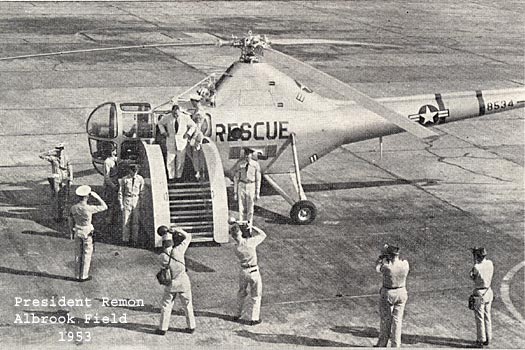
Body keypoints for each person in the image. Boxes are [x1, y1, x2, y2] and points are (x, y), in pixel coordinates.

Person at [156, 226, 196, 335]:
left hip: (171, 283)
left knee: (166, 305)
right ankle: (191, 326)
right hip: (183, 281)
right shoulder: (179, 250)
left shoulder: (161, 257)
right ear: (172, 242)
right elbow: (188, 237)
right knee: (188, 305)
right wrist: (178, 230)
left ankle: (163, 328)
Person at [230, 218, 267, 325]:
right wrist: (252, 226)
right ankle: (254, 319)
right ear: (240, 233)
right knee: (256, 296)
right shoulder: (250, 242)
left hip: (243, 271)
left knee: (241, 293)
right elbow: (263, 235)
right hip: (254, 271)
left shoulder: (236, 248)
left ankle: (237, 314)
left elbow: (239, 239)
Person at [68, 185, 107, 282]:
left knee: (78, 254)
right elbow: (104, 206)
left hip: (77, 230)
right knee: (87, 254)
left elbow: (70, 220)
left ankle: (77, 275)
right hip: (87, 231)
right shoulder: (89, 208)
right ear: (87, 197)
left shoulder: (73, 208)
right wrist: (97, 197)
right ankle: (84, 275)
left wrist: (71, 232)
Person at [375, 244, 409, 348]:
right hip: (402, 291)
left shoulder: (386, 267)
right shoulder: (405, 264)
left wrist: (381, 259)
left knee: (386, 320)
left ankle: (382, 344)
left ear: (389, 256)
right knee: (397, 320)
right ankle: (396, 345)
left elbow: (377, 268)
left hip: (388, 293)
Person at [157, 105, 196, 181]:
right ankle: (171, 177)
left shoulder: (185, 117)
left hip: (181, 141)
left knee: (180, 160)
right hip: (171, 140)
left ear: (179, 112)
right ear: (172, 112)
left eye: (177, 114)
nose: (175, 115)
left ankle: (179, 176)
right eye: (174, 113)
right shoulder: (167, 117)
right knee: (170, 160)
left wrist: (188, 133)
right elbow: (160, 123)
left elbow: (193, 125)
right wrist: (164, 132)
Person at [39, 143, 73, 222]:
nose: (59, 150)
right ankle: (56, 216)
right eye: (58, 149)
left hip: (64, 178)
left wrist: (71, 179)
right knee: (56, 197)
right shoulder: (53, 158)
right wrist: (50, 151)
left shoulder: (66, 158)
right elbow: (41, 155)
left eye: (61, 149)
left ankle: (62, 215)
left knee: (64, 197)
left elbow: (70, 168)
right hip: (56, 178)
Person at [469, 247, 494, 348]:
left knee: (480, 317)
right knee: (487, 315)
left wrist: (474, 262)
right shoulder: (490, 263)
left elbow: (472, 276)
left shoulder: (476, 267)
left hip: (479, 292)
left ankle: (481, 339)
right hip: (488, 291)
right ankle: (488, 337)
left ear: (477, 256)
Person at [233, 148, 261, 227]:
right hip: (241, 185)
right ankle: (242, 226)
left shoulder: (255, 165)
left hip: (251, 185)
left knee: (250, 208)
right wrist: (235, 192)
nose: (247, 156)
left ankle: (249, 226)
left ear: (251, 155)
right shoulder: (240, 164)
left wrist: (257, 192)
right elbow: (236, 178)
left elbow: (258, 179)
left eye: (248, 154)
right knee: (241, 207)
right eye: (245, 154)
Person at [118, 164, 144, 245]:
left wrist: (142, 203)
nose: (134, 173)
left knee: (135, 221)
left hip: (136, 199)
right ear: (130, 171)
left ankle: (134, 239)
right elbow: (120, 192)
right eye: (133, 171)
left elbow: (142, 192)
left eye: (136, 171)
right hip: (127, 199)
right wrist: (121, 204)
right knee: (126, 220)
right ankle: (125, 239)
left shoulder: (140, 179)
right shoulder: (125, 179)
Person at [188, 98, 206, 180]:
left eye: (192, 102)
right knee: (196, 155)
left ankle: (199, 173)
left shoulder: (199, 113)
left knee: (197, 155)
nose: (192, 103)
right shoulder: (198, 110)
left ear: (195, 101)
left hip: (197, 135)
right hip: (196, 135)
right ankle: (199, 172)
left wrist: (194, 138)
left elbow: (198, 127)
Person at [103, 146, 119, 226]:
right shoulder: (107, 162)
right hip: (110, 185)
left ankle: (113, 219)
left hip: (115, 183)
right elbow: (107, 177)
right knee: (110, 204)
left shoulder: (115, 159)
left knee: (115, 203)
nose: (114, 152)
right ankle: (108, 221)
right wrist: (113, 186)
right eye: (113, 150)